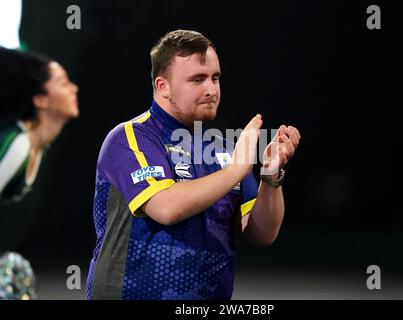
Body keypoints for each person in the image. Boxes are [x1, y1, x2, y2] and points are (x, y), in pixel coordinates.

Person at [86, 30, 300, 300]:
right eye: (197, 79)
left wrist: (270, 175)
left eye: (215, 78)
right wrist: (236, 169)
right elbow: (166, 207)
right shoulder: (130, 138)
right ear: (162, 86)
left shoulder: (223, 151)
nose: (211, 89)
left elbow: (262, 233)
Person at [0, 47, 79, 203]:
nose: (74, 88)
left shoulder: (36, 148)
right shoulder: (19, 144)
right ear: (40, 100)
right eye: (63, 83)